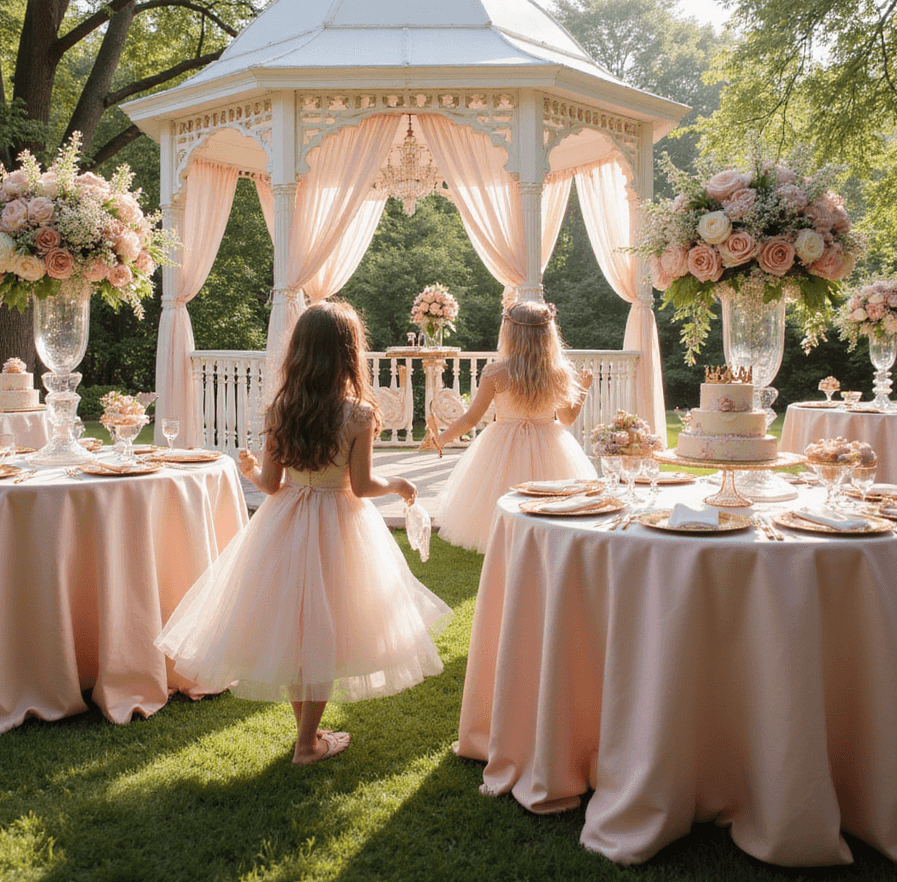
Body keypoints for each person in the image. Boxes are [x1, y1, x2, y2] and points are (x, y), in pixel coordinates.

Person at [155, 301, 451, 766]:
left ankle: (306, 734)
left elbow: (272, 485)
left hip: (286, 521)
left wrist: (251, 471)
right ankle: (308, 742)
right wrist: (399, 484)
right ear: (349, 354)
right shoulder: (358, 415)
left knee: (295, 631)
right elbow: (361, 485)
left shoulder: (281, 409)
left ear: (299, 352)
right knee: (327, 630)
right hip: (339, 524)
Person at [420, 300, 596, 552]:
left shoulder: (495, 372)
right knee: (549, 501)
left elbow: (471, 419)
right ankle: (542, 540)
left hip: (503, 443)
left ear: (511, 333)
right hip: (549, 441)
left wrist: (441, 438)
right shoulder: (559, 372)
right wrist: (584, 390)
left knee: (502, 497)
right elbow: (566, 420)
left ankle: (510, 540)